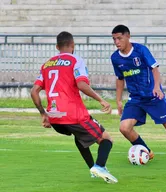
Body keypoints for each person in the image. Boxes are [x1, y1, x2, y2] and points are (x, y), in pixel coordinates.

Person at [31, 31, 118, 183]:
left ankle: (93, 169)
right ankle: (100, 166)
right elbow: (82, 85)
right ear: (73, 45)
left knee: (80, 137)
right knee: (106, 139)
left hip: (54, 117)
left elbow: (34, 91)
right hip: (73, 114)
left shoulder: (47, 64)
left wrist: (43, 113)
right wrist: (101, 100)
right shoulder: (75, 60)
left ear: (57, 46)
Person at [110, 24, 166, 166]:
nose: (117, 42)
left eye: (119, 38)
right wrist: (118, 101)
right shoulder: (115, 58)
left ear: (128, 36)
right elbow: (120, 79)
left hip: (153, 95)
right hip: (135, 98)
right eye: (114, 39)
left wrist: (156, 87)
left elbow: (155, 68)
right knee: (124, 128)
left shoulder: (141, 50)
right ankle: (146, 152)